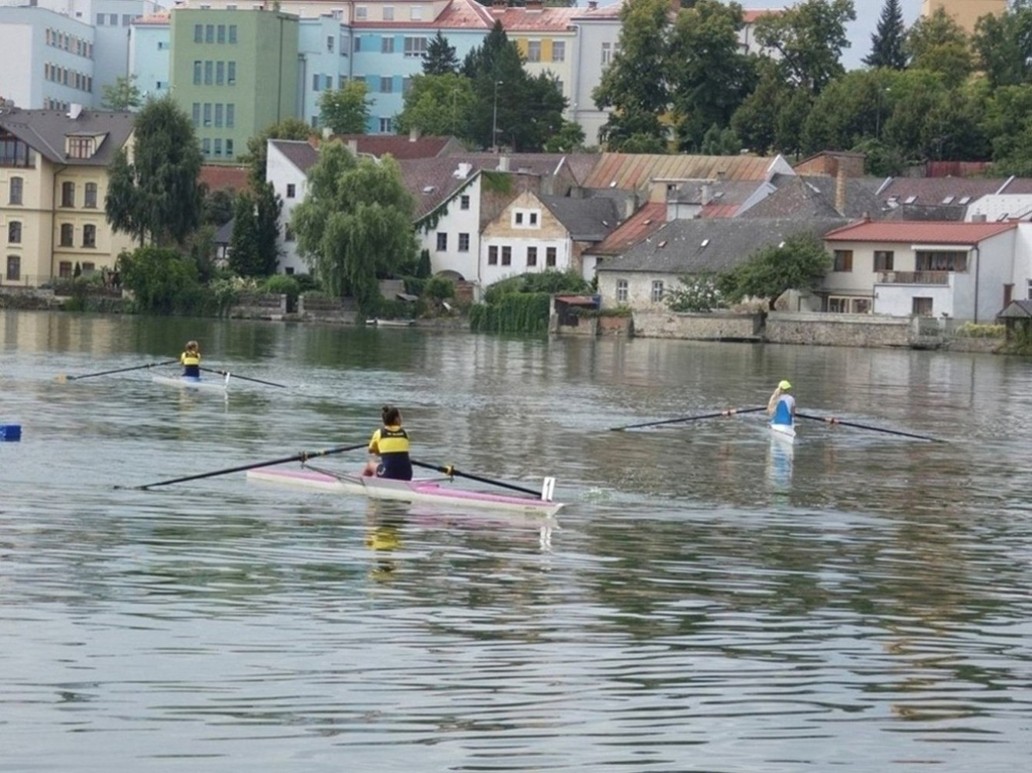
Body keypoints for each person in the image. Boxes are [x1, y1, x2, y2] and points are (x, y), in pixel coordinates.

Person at [363, 405, 413, 480]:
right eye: (400, 416)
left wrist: (379, 451)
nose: (401, 418)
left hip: (388, 474)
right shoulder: (405, 433)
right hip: (407, 475)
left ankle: (362, 482)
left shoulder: (379, 433)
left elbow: (371, 450)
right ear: (396, 419)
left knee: (370, 465)